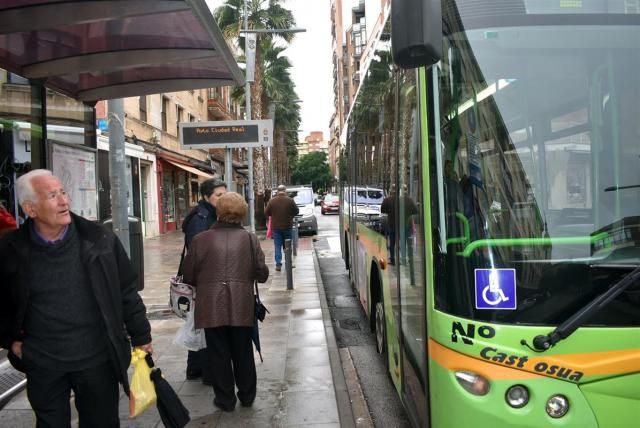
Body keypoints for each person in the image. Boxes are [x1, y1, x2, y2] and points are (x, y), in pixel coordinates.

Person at [0, 169, 152, 427]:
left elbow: (126, 289)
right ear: (31, 209)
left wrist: (142, 337)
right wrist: (10, 340)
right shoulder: (10, 249)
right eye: (52, 196)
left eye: (63, 192)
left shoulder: (99, 239)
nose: (64, 201)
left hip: (97, 359)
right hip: (43, 361)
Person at [182, 192, 269, 412]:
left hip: (211, 306)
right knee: (243, 352)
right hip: (241, 305)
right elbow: (262, 274)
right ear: (242, 212)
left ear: (218, 211)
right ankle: (247, 396)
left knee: (218, 354)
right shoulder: (249, 239)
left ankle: (225, 399)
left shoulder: (200, 240)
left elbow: (189, 276)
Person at [181, 177, 227, 383]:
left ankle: (195, 368)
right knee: (208, 327)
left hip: (208, 280)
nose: (223, 198)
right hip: (204, 281)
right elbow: (198, 252)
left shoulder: (211, 213)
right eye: (219, 195)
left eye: (225, 194)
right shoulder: (200, 218)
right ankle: (208, 372)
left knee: (201, 326)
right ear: (207, 197)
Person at [264, 184, 299, 271]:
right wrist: (290, 215)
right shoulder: (290, 200)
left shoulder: (272, 201)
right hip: (287, 226)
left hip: (276, 228)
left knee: (277, 245)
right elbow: (296, 211)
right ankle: (288, 263)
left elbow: (266, 212)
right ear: (285, 191)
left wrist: (273, 214)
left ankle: (278, 265)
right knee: (287, 245)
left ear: (277, 191)